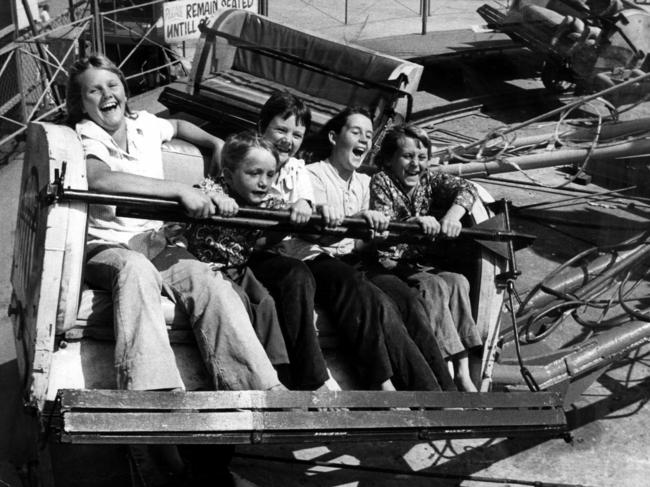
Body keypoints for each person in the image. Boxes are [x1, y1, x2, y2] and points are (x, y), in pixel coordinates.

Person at [66, 54, 285, 394]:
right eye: (93, 91)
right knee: (135, 270)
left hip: (156, 242)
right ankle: (151, 391)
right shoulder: (87, 134)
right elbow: (99, 179)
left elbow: (179, 125)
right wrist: (179, 190)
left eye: (112, 85)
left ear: (125, 90)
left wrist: (215, 143)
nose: (106, 94)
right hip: (109, 246)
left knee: (208, 280)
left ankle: (258, 389)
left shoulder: (145, 124)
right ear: (81, 104)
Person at [276, 106, 451, 391]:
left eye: (368, 135)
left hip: (353, 260)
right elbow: (320, 238)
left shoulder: (366, 183)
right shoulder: (312, 175)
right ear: (334, 137)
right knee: (372, 298)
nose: (363, 140)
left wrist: (392, 230)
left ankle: (445, 391)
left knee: (404, 297)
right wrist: (357, 222)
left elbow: (361, 243)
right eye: (355, 132)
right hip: (315, 258)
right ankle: (394, 389)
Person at [369, 124, 483, 391]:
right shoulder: (381, 181)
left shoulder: (428, 180)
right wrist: (415, 222)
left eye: (421, 158)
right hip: (388, 262)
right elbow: (384, 225)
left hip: (417, 262)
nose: (415, 164)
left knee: (457, 281)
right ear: (389, 159)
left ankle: (463, 370)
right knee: (433, 285)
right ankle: (443, 365)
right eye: (407, 157)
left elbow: (468, 188)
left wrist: (452, 216)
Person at [242, 91, 338, 391]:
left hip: (275, 249)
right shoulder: (245, 157)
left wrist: (315, 212)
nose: (288, 140)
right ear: (262, 127)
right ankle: (312, 380)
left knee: (303, 272)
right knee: (294, 274)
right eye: (281, 130)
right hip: (243, 248)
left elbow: (305, 211)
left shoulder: (297, 168)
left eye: (297, 134)